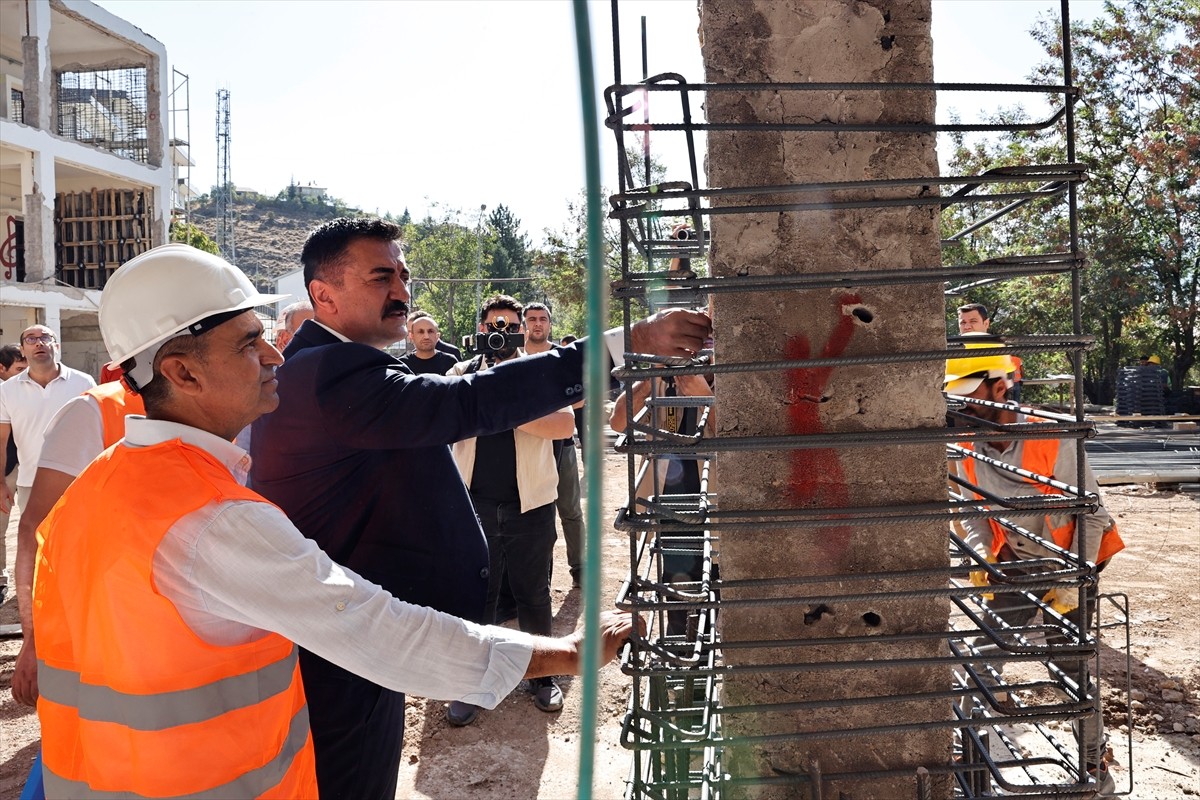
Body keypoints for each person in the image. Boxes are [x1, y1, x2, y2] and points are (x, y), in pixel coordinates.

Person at [32, 242, 641, 799]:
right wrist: (565, 653)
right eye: (250, 343)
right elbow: (377, 630)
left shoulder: (100, 485)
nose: (276, 353)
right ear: (182, 373)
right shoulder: (209, 520)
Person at [250, 216, 710, 799]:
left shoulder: (337, 365)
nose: (402, 289)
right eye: (380, 276)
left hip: (358, 633)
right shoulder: (331, 374)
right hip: (339, 647)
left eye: (404, 274)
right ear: (324, 294)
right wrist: (627, 343)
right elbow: (470, 401)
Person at [944, 351, 1123, 796]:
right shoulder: (967, 443)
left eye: (970, 399)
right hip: (1013, 565)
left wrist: (1069, 579)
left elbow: (1093, 515)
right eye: (957, 402)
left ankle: (1093, 768)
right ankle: (972, 770)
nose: (963, 411)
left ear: (1000, 388)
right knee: (981, 665)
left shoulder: (1051, 438)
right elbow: (969, 509)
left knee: (1070, 669)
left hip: (1071, 560)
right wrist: (986, 556)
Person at [448, 295, 575, 724]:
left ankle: (542, 678)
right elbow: (448, 421)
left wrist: (500, 407)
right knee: (477, 596)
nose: (501, 332)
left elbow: (564, 424)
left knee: (533, 594)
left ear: (522, 329)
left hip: (531, 503)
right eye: (493, 325)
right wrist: (495, 399)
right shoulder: (463, 374)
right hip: (475, 503)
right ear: (482, 330)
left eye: (509, 324)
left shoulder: (542, 371)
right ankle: (471, 681)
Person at [10, 378, 146, 707]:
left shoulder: (236, 407)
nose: (270, 358)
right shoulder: (94, 411)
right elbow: (34, 529)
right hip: (100, 626)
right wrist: (35, 640)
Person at [610, 367, 716, 636]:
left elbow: (739, 432)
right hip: (668, 500)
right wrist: (649, 380)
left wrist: (704, 395)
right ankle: (679, 648)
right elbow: (618, 422)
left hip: (716, 500)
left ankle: (710, 651)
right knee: (675, 580)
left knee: (715, 577)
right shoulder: (661, 380)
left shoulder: (728, 378)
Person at [0, 325, 95, 524]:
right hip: (31, 483)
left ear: (57, 346)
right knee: (35, 546)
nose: (39, 343)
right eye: (31, 339)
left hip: (78, 481)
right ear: (23, 350)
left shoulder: (84, 383)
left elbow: (99, 432)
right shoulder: (7, 390)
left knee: (76, 545)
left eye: (45, 337)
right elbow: (1, 440)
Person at [524, 302, 585, 588]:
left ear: (550, 324)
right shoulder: (515, 357)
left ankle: (580, 568)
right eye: (532, 319)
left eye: (543, 319)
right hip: (526, 449)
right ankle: (538, 574)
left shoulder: (561, 358)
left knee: (570, 510)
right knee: (536, 514)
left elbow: (581, 399)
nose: (538, 324)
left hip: (562, 447)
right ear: (524, 324)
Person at [0, 343, 28, 603]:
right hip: (6, 468)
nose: (25, 372)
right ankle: (0, 580)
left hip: (32, 465)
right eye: (19, 368)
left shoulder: (31, 388)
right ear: (2, 369)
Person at [399, 310, 459, 375]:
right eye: (420, 332)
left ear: (437, 336)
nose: (426, 337)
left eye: (430, 331)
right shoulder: (402, 364)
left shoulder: (450, 361)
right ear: (411, 336)